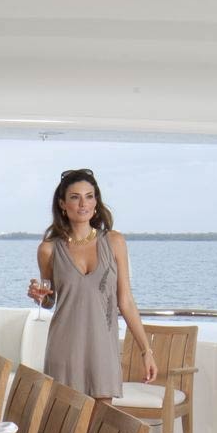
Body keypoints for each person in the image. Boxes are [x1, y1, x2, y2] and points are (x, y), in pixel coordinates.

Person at [27, 168, 154, 398]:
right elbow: (49, 301)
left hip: (103, 348)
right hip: (64, 348)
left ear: (96, 202)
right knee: (64, 418)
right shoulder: (48, 249)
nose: (83, 203)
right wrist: (39, 296)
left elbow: (125, 301)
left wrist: (146, 351)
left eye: (89, 196)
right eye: (75, 197)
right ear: (63, 204)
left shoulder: (114, 242)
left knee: (102, 419)